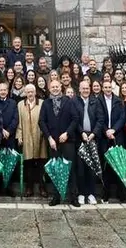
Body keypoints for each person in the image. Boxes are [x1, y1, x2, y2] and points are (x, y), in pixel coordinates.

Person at [39, 77, 78, 207]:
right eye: (53, 87)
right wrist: (49, 138)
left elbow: (75, 119)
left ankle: (73, 197)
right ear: (49, 88)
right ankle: (56, 197)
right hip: (53, 142)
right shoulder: (46, 103)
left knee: (70, 169)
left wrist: (67, 133)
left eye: (57, 86)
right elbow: (41, 122)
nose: (55, 89)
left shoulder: (69, 101)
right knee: (55, 170)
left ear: (61, 87)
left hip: (68, 141)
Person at [73, 78, 105, 206]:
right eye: (83, 88)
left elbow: (100, 119)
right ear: (79, 89)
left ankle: (91, 194)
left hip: (92, 137)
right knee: (80, 168)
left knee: (92, 167)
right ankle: (81, 193)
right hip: (80, 137)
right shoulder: (74, 101)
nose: (85, 90)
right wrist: (81, 132)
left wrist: (93, 134)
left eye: (87, 88)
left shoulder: (96, 101)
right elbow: (74, 119)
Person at [98, 78, 125, 202]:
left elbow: (122, 118)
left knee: (119, 164)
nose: (108, 89)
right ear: (102, 89)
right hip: (104, 137)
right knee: (105, 166)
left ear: (112, 88)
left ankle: (121, 193)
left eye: (109, 87)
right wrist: (106, 131)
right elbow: (99, 118)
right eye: (105, 87)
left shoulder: (118, 101)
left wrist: (113, 130)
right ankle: (106, 192)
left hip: (117, 135)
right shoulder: (98, 101)